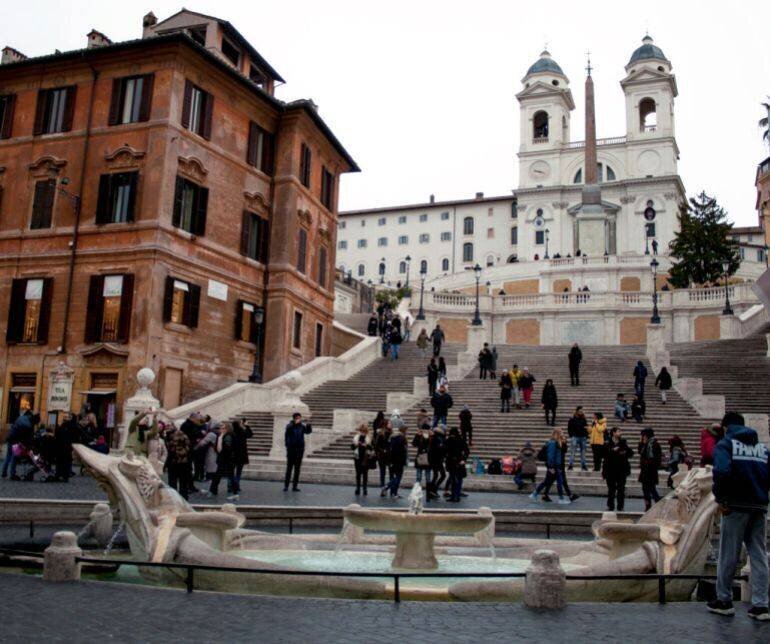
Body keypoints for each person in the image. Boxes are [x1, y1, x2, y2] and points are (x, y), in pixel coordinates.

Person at [707, 411, 769, 620]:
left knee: (728, 553)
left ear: (726, 428)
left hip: (735, 506)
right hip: (759, 507)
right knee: (759, 555)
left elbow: (721, 471)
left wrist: (722, 498)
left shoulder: (726, 445)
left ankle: (724, 600)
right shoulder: (762, 449)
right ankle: (761, 605)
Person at [531, 429, 569, 504]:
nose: (563, 434)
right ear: (557, 434)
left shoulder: (558, 442)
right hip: (554, 465)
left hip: (556, 465)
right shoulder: (552, 443)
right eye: (561, 433)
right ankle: (561, 499)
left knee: (548, 481)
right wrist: (551, 467)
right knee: (557, 482)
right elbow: (550, 456)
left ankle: (535, 494)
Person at [602, 426, 632, 512]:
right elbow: (603, 454)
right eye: (619, 431)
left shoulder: (623, 442)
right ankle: (610, 506)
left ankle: (620, 506)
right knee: (611, 489)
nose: (620, 433)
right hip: (610, 470)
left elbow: (630, 453)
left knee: (621, 489)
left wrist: (624, 452)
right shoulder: (607, 442)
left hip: (621, 470)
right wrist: (612, 450)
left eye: (620, 431)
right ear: (613, 433)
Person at [207, 422, 238, 500]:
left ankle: (235, 493)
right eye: (221, 428)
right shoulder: (221, 436)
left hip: (227, 459)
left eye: (223, 428)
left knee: (228, 476)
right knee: (219, 475)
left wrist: (222, 455)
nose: (221, 429)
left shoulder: (228, 436)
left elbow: (228, 448)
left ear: (227, 429)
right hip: (223, 459)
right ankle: (213, 490)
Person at [284, 412, 312, 492]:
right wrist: (288, 447)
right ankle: (286, 486)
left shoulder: (302, 427)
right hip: (291, 450)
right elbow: (287, 432)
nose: (299, 419)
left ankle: (295, 486)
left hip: (299, 450)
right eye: (297, 418)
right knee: (289, 468)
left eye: (299, 418)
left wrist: (308, 425)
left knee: (297, 469)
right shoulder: (289, 425)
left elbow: (308, 432)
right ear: (294, 418)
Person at [638, 427, 662, 510]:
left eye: (643, 435)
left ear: (646, 435)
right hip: (645, 471)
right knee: (645, 489)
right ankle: (648, 505)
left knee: (651, 488)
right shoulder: (645, 444)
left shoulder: (654, 444)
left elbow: (656, 459)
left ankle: (658, 504)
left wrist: (647, 462)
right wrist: (641, 442)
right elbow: (640, 452)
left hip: (650, 470)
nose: (642, 437)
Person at [165, 423, 191, 499]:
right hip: (184, 462)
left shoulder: (171, 436)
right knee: (183, 482)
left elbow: (171, 451)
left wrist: (167, 464)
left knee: (173, 482)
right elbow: (188, 447)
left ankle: (175, 499)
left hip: (174, 462)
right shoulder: (184, 435)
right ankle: (184, 498)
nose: (167, 427)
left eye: (169, 426)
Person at [382, 425, 408, 498]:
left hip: (392, 460)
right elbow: (401, 451)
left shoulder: (393, 437)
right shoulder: (401, 438)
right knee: (398, 477)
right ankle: (387, 487)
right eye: (406, 431)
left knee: (395, 477)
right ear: (404, 431)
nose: (407, 432)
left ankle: (394, 493)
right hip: (399, 461)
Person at [445, 427, 469, 502]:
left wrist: (463, 459)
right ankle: (455, 496)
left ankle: (455, 496)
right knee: (457, 479)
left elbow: (466, 451)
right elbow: (467, 451)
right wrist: (464, 459)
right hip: (456, 462)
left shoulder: (452, 440)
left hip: (453, 462)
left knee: (455, 479)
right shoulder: (455, 440)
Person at [54, 412, 80, 482]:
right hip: (63, 446)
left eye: (68, 417)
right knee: (63, 461)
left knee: (64, 461)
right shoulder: (65, 425)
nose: (65, 418)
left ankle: (61, 475)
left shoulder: (69, 425)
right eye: (65, 417)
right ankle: (62, 475)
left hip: (66, 446)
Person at [231, 419, 253, 496]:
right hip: (241, 455)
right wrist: (247, 426)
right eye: (241, 423)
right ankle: (236, 486)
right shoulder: (243, 432)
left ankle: (231, 486)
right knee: (238, 472)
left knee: (231, 471)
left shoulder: (232, 433)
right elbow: (250, 434)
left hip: (233, 455)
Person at [351, 424, 374, 495]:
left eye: (363, 431)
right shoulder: (356, 437)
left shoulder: (369, 438)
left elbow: (372, 448)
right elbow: (352, 447)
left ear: (366, 431)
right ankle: (358, 488)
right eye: (361, 431)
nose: (362, 432)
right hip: (357, 457)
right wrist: (356, 444)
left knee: (365, 474)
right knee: (358, 473)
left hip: (365, 458)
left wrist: (366, 445)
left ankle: (364, 488)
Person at [427, 425, 446, 501]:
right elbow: (439, 449)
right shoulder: (438, 438)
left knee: (438, 475)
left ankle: (432, 490)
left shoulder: (437, 437)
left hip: (435, 459)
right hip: (436, 460)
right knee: (440, 475)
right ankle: (432, 490)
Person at [567, 406, 588, 471]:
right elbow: (569, 428)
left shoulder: (584, 419)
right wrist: (571, 435)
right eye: (580, 411)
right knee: (573, 452)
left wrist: (586, 435)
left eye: (582, 411)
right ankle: (570, 465)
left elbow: (586, 427)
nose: (581, 412)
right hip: (575, 437)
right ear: (577, 411)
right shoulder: (572, 418)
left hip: (583, 437)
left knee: (583, 452)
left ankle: (583, 465)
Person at [374, 422, 392, 488]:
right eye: (389, 423)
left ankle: (388, 485)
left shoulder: (391, 433)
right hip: (383, 455)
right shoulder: (381, 434)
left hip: (389, 455)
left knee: (390, 471)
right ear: (386, 425)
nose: (391, 424)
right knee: (383, 471)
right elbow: (377, 446)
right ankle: (383, 485)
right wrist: (383, 450)